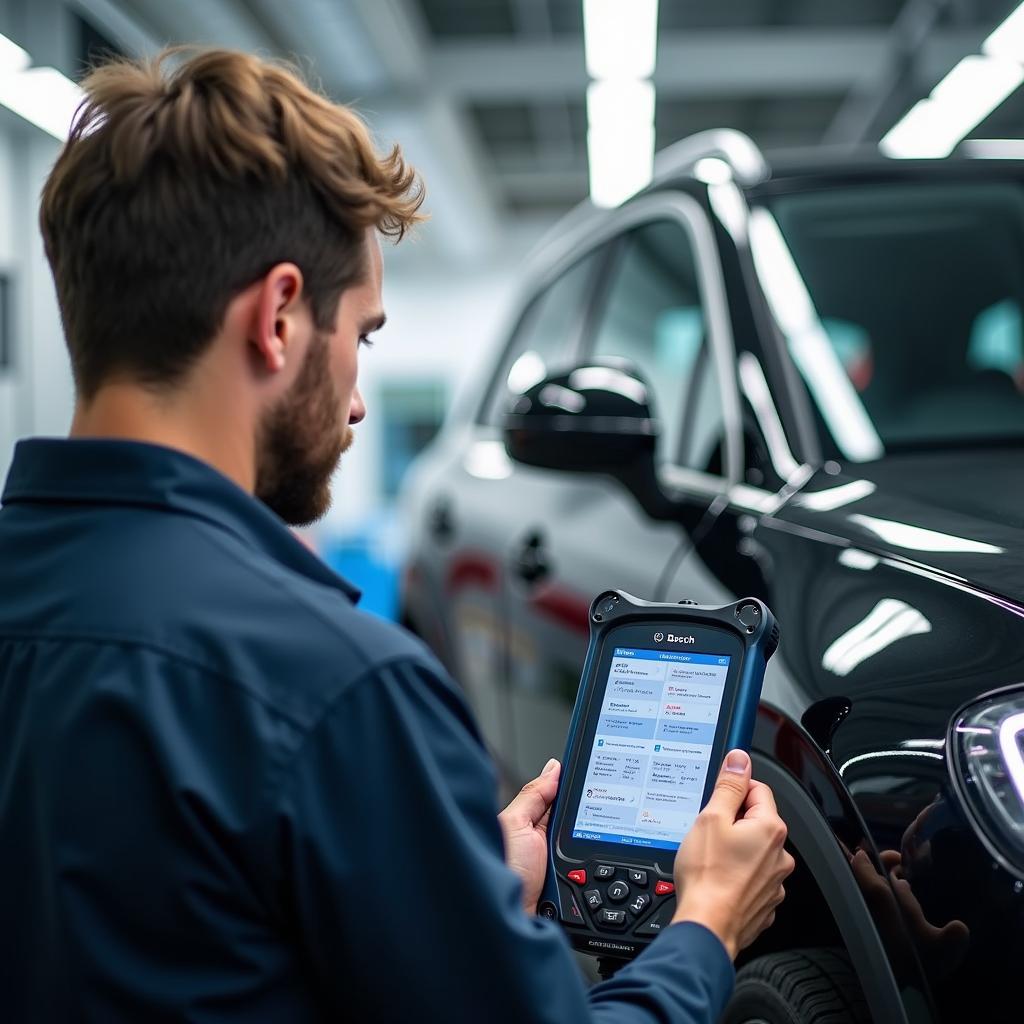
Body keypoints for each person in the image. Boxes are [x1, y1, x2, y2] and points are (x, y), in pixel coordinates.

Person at [0, 49, 793, 1023]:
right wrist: (705, 929)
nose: (359, 403)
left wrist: (444, 885)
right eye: (362, 337)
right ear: (280, 316)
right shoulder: (335, 690)